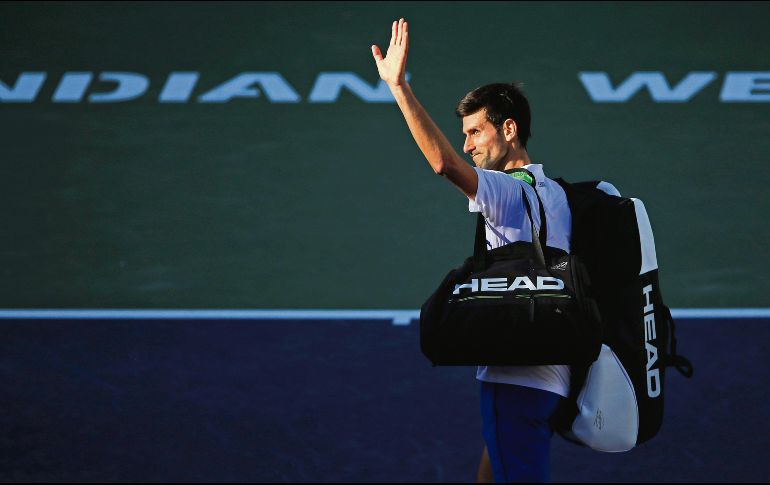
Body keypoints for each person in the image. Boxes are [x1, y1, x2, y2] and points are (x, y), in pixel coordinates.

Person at [372, 19, 575, 483]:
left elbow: (443, 164)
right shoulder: (557, 193)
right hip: (555, 369)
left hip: (516, 378)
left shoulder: (505, 191)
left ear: (509, 129)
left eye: (475, 133)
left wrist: (399, 87)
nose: (468, 144)